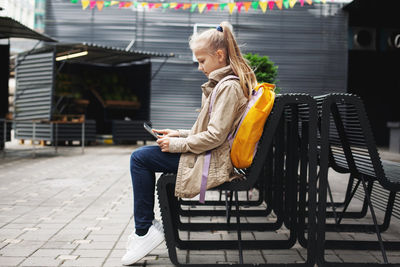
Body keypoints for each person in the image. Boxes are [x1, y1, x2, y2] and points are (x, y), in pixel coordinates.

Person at [122, 21, 257, 265]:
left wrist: (177, 146)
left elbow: (216, 137)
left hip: (215, 161)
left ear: (219, 55)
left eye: (202, 61)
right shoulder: (227, 84)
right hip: (214, 154)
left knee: (140, 159)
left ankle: (144, 232)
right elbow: (217, 132)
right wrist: (179, 134)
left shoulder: (228, 87)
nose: (199, 67)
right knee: (143, 157)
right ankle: (147, 227)